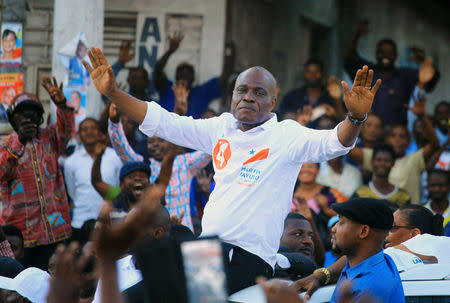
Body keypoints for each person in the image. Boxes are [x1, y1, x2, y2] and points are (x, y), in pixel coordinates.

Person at [83, 46, 381, 293]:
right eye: (242, 90)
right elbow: (165, 123)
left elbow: (335, 143)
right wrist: (113, 93)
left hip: (245, 259)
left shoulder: (287, 135)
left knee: (145, 296)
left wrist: (355, 118)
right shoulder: (221, 127)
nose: (249, 97)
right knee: (137, 292)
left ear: (273, 101)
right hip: (208, 251)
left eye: (259, 92)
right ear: (232, 96)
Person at [0, 76, 75, 270]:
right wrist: (20, 142)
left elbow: (67, 130)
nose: (27, 118)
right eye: (22, 113)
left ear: (39, 117)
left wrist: (61, 104)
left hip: (54, 232)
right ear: (12, 117)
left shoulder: (50, 138)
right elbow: (2, 173)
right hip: (20, 236)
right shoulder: (5, 145)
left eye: (32, 113)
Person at [108, 93, 211, 230]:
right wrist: (114, 122)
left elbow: (210, 149)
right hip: (155, 233)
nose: (155, 144)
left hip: (184, 230)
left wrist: (213, 127)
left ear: (171, 141)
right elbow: (121, 148)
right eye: (151, 141)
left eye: (161, 140)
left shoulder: (186, 162)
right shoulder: (142, 166)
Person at [344, 20, 440, 126]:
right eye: (382, 52)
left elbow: (430, 80)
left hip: (395, 134)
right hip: (368, 129)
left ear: (395, 55)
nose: (385, 56)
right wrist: (357, 35)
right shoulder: (368, 71)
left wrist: (424, 61)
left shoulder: (405, 75)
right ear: (376, 54)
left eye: (390, 53)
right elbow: (349, 59)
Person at [348, 94, 440, 203]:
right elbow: (346, 147)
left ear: (409, 142)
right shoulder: (377, 156)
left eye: (402, 136)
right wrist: (355, 114)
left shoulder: (415, 159)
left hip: (409, 216)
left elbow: (434, 144)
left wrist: (422, 117)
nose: (397, 139)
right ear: (386, 139)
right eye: (393, 135)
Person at [328, 198, 404, 302]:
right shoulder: (380, 260)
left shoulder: (368, 288)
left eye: (341, 222)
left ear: (363, 231)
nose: (333, 229)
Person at [64, 118, 122, 243]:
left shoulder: (115, 156)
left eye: (93, 128)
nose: (89, 132)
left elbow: (118, 188)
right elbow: (72, 192)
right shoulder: (70, 162)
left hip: (109, 222)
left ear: (100, 132)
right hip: (80, 223)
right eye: (84, 129)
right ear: (79, 135)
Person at [154, 34, 235, 118]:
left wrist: (229, 53)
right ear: (176, 75)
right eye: (181, 73)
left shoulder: (201, 92)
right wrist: (170, 51)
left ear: (193, 77)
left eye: (188, 73)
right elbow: (157, 70)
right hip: (167, 129)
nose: (184, 75)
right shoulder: (167, 88)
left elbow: (224, 79)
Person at [293, 163, 347, 247]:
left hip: (323, 245)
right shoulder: (288, 193)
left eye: (310, 166)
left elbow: (346, 217)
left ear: (318, 170)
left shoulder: (330, 193)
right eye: (301, 166)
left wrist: (326, 209)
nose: (305, 170)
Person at [279, 59, 345, 120]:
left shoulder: (330, 95)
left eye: (317, 71)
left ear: (322, 74)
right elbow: (283, 119)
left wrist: (337, 99)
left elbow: (343, 119)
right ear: (304, 74)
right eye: (309, 71)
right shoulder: (292, 96)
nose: (312, 75)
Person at [353, 144, 411, 209]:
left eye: (387, 160)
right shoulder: (360, 194)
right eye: (378, 160)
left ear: (393, 163)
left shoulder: (404, 196)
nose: (382, 164)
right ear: (372, 162)